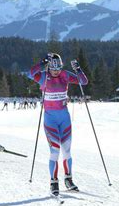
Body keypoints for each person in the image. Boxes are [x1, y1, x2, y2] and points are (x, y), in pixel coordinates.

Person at [28, 53, 88, 196]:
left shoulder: (65, 75)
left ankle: (68, 180)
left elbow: (83, 82)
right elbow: (30, 74)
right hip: (50, 119)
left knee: (67, 151)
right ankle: (54, 182)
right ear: (49, 67)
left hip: (64, 118)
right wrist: (42, 63)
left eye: (58, 68)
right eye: (53, 68)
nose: (56, 71)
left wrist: (78, 69)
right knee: (54, 151)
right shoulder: (43, 76)